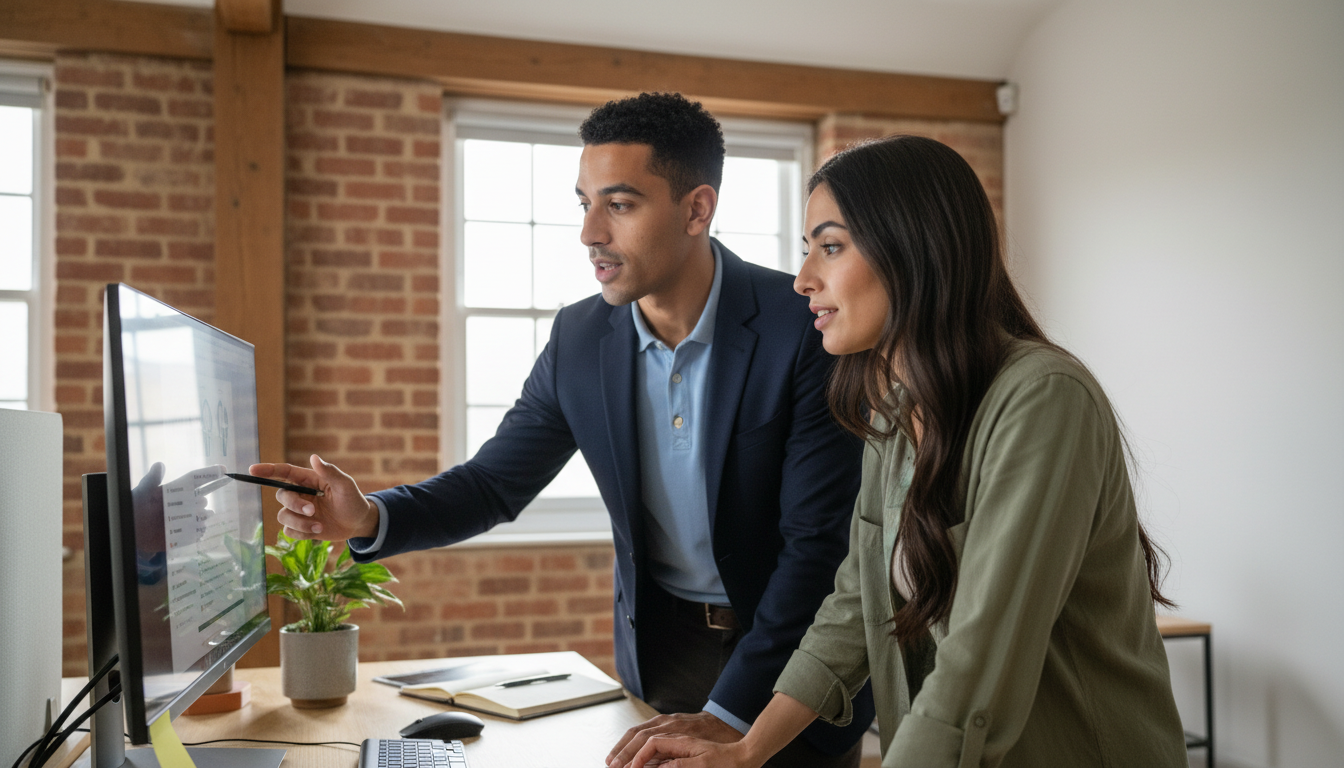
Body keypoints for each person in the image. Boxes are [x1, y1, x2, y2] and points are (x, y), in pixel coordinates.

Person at [251, 92, 874, 767]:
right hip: (661, 658)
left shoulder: (805, 326)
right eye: (585, 204)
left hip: (791, 659)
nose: (590, 234)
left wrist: (729, 716)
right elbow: (494, 484)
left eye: (621, 204)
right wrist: (369, 515)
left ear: (696, 209)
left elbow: (816, 552)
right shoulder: (580, 338)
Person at [619, 135, 1189, 768]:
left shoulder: (1042, 400)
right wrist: (750, 746)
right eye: (807, 250)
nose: (804, 279)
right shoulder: (893, 414)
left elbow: (979, 660)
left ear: (914, 251)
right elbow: (854, 606)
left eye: (830, 247)